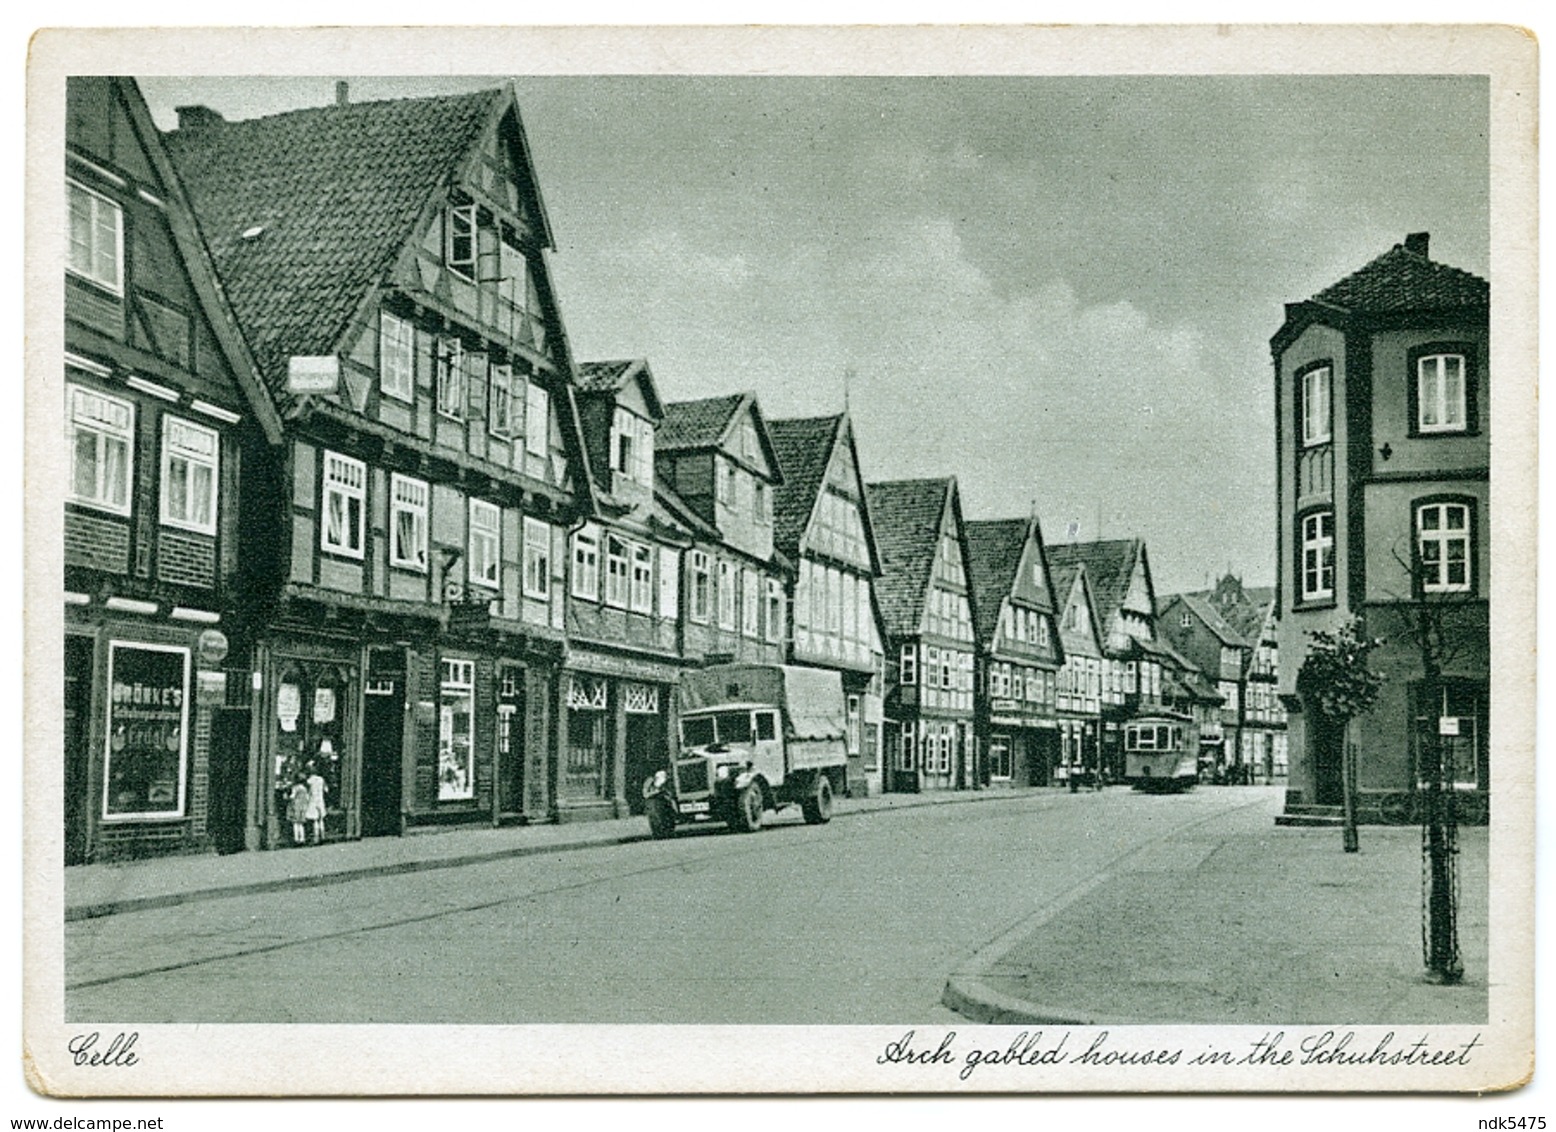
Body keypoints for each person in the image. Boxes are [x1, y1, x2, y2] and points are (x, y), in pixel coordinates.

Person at [305, 757, 328, 845]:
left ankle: (316, 837)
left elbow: (308, 792)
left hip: (313, 800)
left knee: (314, 820)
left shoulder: (309, 781)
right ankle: (323, 835)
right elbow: (326, 789)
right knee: (321, 819)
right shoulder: (321, 779)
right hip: (320, 799)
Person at [287, 775, 309, 846]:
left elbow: (292, 796)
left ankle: (296, 839)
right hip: (303, 806)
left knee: (295, 823)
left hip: (296, 805)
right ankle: (302, 838)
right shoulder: (304, 788)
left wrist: (288, 797)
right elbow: (307, 798)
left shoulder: (295, 788)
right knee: (301, 823)